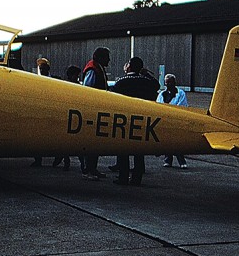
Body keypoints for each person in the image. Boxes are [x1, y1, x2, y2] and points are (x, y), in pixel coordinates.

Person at [112, 56, 160, 186]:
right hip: (142, 119)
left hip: (124, 119)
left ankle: (123, 176)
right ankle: (137, 178)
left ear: (129, 66)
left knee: (123, 150)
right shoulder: (147, 82)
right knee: (139, 151)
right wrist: (147, 74)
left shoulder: (121, 82)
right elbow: (157, 85)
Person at [81, 47, 110, 180]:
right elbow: (88, 91)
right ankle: (88, 170)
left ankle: (93, 168)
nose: (109, 60)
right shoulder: (92, 70)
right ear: (100, 58)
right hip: (93, 111)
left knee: (96, 143)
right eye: (107, 57)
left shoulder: (97, 67)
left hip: (98, 109)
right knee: (92, 142)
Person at [52, 65, 81, 171]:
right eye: (76, 75)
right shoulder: (76, 86)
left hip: (69, 116)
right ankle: (80, 165)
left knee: (65, 142)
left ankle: (62, 159)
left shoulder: (64, 85)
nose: (77, 77)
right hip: (73, 117)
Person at [157, 73, 189, 168]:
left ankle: (182, 161)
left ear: (174, 83)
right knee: (167, 141)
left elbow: (182, 105)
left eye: (170, 82)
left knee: (177, 141)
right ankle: (168, 160)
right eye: (166, 83)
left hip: (176, 120)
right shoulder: (162, 94)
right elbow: (158, 105)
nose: (168, 85)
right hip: (165, 119)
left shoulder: (180, 93)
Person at [31, 57, 51, 167]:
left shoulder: (53, 81)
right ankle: (38, 160)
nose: (42, 70)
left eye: (43, 68)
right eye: (40, 68)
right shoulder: (36, 81)